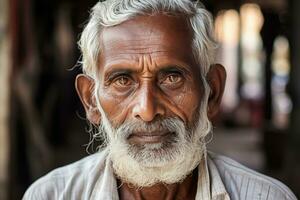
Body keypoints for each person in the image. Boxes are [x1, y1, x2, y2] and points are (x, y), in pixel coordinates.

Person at [23, 0, 297, 199]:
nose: (147, 109)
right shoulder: (50, 195)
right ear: (91, 101)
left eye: (172, 78)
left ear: (212, 91)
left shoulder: (266, 197)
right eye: (122, 81)